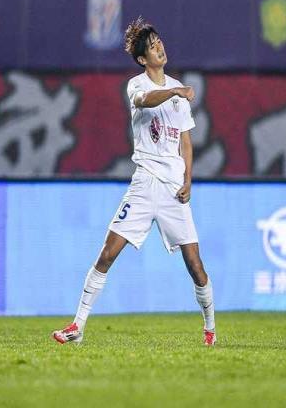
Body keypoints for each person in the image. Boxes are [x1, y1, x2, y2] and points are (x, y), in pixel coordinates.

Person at [52, 17, 216, 346]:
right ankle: (77, 326)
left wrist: (188, 181)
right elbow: (146, 101)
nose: (159, 48)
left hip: (172, 189)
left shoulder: (177, 90)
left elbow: (185, 143)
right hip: (143, 185)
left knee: (195, 265)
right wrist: (175, 91)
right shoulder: (137, 86)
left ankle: (210, 328)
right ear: (142, 59)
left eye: (159, 42)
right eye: (152, 47)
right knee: (107, 253)